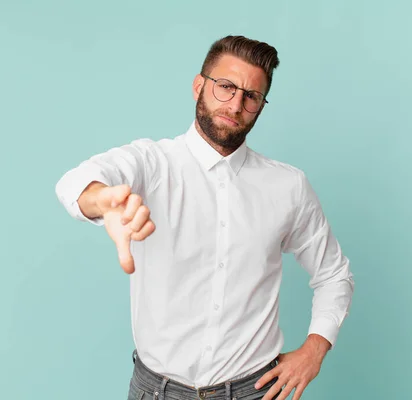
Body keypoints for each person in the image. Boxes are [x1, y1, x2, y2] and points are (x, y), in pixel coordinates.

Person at [55, 35, 354, 400]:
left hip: (254, 391)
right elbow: (75, 183)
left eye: (251, 96)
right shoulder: (152, 163)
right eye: (225, 87)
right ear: (199, 85)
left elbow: (334, 274)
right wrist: (103, 200)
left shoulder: (288, 186)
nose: (236, 104)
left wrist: (315, 350)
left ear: (261, 105)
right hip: (156, 391)